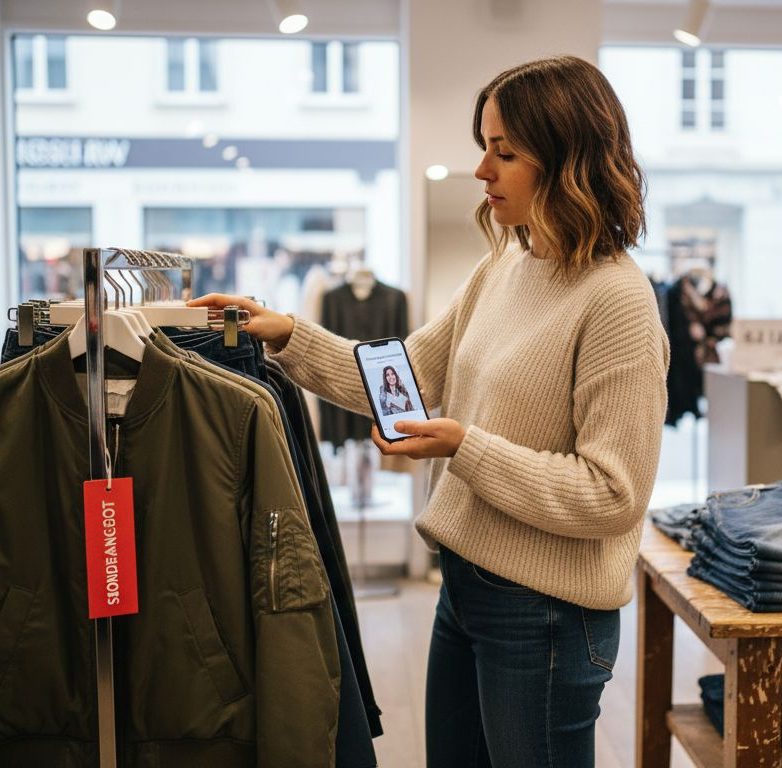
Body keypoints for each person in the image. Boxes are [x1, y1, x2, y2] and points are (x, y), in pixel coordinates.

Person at [190, 55, 668, 768]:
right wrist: (286, 334)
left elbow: (612, 494)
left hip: (545, 615)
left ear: (567, 160)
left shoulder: (618, 301)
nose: (482, 169)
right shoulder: (503, 266)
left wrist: (464, 447)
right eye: (485, 146)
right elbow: (403, 378)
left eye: (505, 152)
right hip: (466, 585)